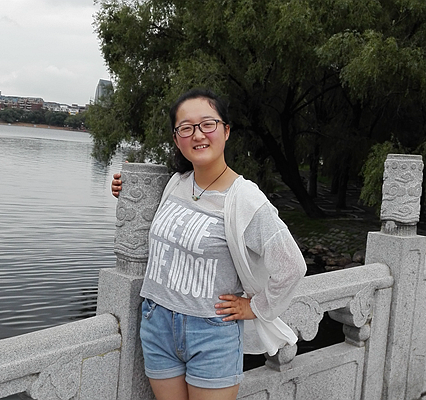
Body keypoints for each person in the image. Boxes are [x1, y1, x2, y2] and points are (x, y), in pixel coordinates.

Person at [111, 88, 306, 400]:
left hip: (211, 332)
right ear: (177, 139)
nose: (198, 134)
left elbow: (292, 265)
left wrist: (255, 307)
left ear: (226, 131)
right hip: (156, 323)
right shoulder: (175, 183)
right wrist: (125, 188)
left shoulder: (246, 199)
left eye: (207, 124)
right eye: (186, 128)